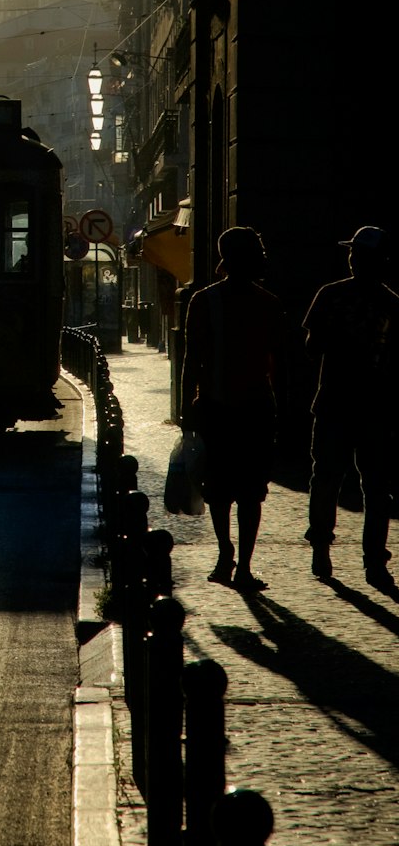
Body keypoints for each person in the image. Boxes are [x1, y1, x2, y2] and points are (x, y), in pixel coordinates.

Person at [180, 227, 287, 591]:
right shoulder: (265, 303)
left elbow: (191, 360)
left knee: (226, 489)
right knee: (245, 491)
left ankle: (230, 557)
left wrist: (185, 408)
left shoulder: (206, 301)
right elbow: (280, 363)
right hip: (246, 409)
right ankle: (238, 562)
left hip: (223, 407)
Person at [302, 225, 399, 593]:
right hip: (374, 408)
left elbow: (311, 348)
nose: (351, 258)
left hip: (337, 403)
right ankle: (374, 562)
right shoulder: (392, 303)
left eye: (356, 253)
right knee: (375, 488)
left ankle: (322, 550)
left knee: (327, 479)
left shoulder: (330, 295)